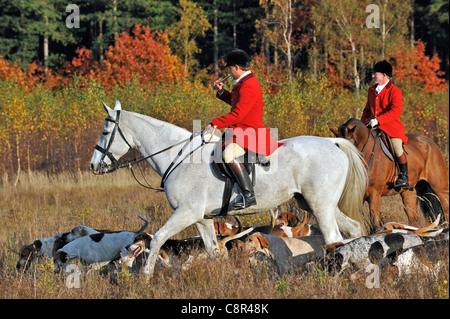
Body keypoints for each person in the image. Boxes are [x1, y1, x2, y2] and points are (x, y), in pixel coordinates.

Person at [204, 49, 282, 209]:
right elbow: (236, 103)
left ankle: (248, 195)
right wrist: (221, 92)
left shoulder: (248, 85)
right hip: (241, 130)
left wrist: (214, 122)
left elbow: (237, 114)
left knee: (227, 154)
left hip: (249, 132)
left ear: (237, 67)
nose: (229, 73)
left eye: (230, 69)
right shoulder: (245, 82)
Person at [361, 60, 409, 189]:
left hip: (391, 128)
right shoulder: (371, 90)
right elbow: (366, 110)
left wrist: (379, 120)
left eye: (375, 74)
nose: (372, 76)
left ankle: (404, 176)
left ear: (384, 75)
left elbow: (396, 111)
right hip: (372, 126)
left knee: (397, 147)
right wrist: (361, 125)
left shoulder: (395, 91)